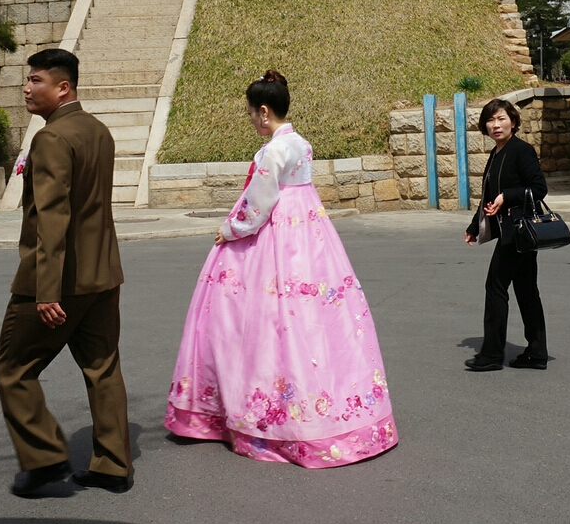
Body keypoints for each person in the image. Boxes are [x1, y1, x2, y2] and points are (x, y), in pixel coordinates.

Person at [165, 71, 398, 467]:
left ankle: (262, 416)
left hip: (275, 233)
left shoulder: (271, 152)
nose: (252, 121)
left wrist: (229, 229)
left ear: (264, 111)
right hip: (309, 230)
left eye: (252, 114)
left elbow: (258, 205)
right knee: (313, 312)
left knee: (256, 316)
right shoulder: (301, 144)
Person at [0, 48, 133, 496]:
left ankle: (44, 459)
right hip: (102, 276)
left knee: (14, 367)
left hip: (59, 282)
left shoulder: (52, 139)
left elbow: (51, 219)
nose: (26, 88)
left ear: (63, 87)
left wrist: (45, 291)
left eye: (35, 80)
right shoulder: (98, 131)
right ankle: (113, 464)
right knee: (103, 368)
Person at [464, 99, 549, 371]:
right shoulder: (496, 153)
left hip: (519, 232)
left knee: (496, 287)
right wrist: (474, 226)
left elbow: (538, 188)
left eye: (501, 119)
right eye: (490, 120)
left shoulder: (521, 151)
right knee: (526, 292)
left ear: (513, 120)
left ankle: (491, 355)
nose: (496, 125)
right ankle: (536, 353)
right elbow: (489, 197)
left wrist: (507, 196)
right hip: (511, 232)